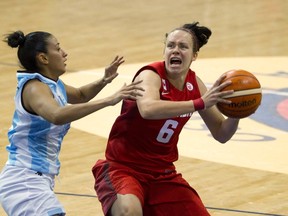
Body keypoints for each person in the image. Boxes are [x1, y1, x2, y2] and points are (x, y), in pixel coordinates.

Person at [92, 21, 240, 216]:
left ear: (194, 55)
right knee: (129, 211)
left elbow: (221, 133)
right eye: (170, 45)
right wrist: (199, 103)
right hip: (123, 168)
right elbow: (147, 108)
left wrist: (237, 113)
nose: (175, 50)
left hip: (162, 173)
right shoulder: (150, 74)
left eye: (183, 46)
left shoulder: (195, 84)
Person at [0, 30, 143, 216]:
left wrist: (104, 81)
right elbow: (57, 115)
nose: (64, 53)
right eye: (58, 48)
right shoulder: (34, 88)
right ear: (43, 58)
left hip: (37, 178)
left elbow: (81, 96)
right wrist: (109, 100)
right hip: (24, 180)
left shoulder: (53, 84)